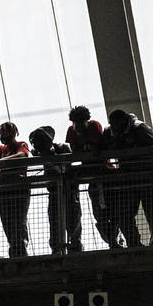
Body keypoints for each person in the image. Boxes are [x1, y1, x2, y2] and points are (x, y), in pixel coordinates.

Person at [101, 109, 153, 247]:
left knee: (151, 211)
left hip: (144, 177)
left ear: (123, 121)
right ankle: (135, 242)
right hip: (129, 177)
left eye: (116, 124)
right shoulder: (111, 131)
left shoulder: (139, 127)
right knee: (125, 213)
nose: (114, 128)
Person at [29, 125, 81, 254]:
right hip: (54, 191)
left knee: (73, 220)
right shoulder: (40, 153)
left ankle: (75, 248)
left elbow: (66, 167)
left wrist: (50, 160)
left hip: (69, 190)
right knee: (55, 221)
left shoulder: (62, 148)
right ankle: (57, 249)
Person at [65, 105, 113, 247]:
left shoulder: (94, 126)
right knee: (98, 210)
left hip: (102, 172)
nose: (78, 126)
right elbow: (74, 152)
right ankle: (111, 240)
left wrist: (84, 147)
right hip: (91, 172)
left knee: (107, 208)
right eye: (75, 123)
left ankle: (115, 239)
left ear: (87, 120)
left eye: (81, 122)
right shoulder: (71, 130)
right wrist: (85, 147)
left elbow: (94, 149)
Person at [0, 121, 31, 257]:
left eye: (3, 131)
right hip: (4, 189)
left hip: (19, 188)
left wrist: (2, 162)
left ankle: (20, 248)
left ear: (12, 132)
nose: (1, 135)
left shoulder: (21, 144)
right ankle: (14, 247)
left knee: (19, 220)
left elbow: (23, 155)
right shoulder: (0, 149)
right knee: (6, 221)